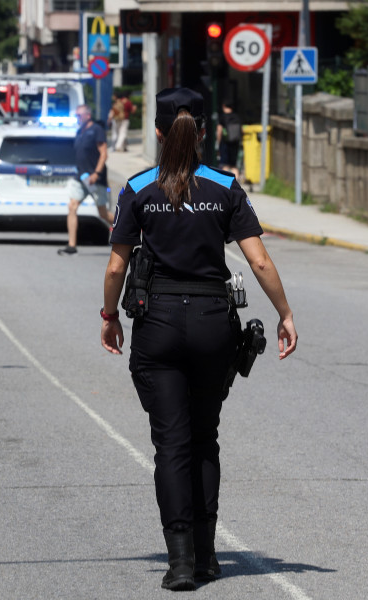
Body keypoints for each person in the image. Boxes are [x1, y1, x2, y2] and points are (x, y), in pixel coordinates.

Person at [100, 88, 297, 591]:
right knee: (204, 439)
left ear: (160, 131)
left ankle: (181, 561)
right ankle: (209, 557)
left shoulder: (139, 187)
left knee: (172, 447)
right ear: (204, 131)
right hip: (213, 322)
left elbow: (117, 264)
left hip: (159, 323)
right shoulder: (225, 187)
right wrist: (284, 313)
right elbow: (258, 261)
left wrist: (109, 316)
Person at [58, 104, 113, 255]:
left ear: (88, 115)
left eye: (79, 115)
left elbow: (104, 154)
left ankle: (128, 233)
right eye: (76, 115)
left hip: (94, 179)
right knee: (72, 206)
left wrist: (96, 173)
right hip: (81, 178)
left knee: (102, 213)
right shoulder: (79, 132)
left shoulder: (96, 130)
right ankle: (72, 245)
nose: (77, 118)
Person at [215, 100, 242, 180]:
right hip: (235, 143)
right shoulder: (237, 116)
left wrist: (218, 142)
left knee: (225, 164)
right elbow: (241, 130)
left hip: (225, 143)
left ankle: (224, 182)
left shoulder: (223, 117)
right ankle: (236, 182)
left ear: (224, 106)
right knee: (233, 164)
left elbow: (219, 131)